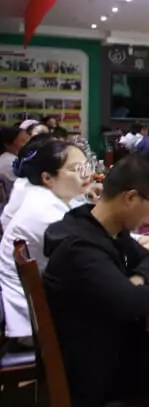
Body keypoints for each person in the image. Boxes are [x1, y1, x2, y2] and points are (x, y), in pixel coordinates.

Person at [43, 152, 149, 407]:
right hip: (92, 374)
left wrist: (139, 279)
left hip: (102, 346)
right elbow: (130, 303)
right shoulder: (80, 247)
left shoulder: (99, 226)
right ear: (131, 197)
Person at [0, 140, 94, 340]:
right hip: (36, 324)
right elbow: (93, 253)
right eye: (77, 169)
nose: (86, 174)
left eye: (87, 166)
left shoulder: (46, 196)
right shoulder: (45, 212)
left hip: (44, 304)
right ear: (47, 177)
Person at [0, 125, 29, 203]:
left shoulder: (15, 159)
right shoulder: (9, 161)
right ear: (7, 144)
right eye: (23, 141)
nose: (28, 144)